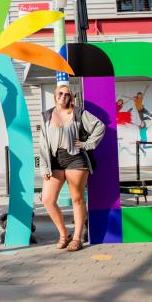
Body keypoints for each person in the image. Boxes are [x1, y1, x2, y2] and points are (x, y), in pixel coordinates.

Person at [39, 85, 105, 252]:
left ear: (71, 97)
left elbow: (100, 126)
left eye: (67, 94)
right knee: (47, 199)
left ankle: (76, 238)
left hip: (75, 159)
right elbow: (43, 143)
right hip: (54, 161)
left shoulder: (78, 112)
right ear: (55, 96)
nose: (63, 96)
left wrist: (87, 144)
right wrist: (44, 166)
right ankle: (64, 234)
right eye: (60, 93)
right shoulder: (46, 115)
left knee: (77, 199)